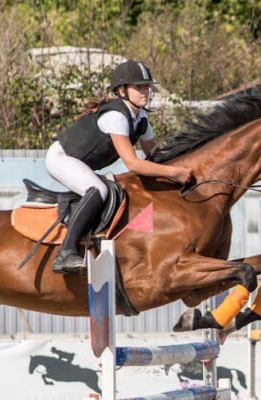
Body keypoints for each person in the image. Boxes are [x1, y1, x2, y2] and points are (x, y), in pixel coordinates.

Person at [45, 60, 194, 274]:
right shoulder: (115, 116)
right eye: (139, 87)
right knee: (98, 190)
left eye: (147, 87)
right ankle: (65, 254)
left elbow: (155, 157)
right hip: (60, 157)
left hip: (81, 162)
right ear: (122, 90)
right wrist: (174, 173)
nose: (146, 91)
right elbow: (133, 164)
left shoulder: (141, 118)